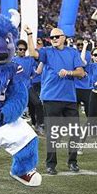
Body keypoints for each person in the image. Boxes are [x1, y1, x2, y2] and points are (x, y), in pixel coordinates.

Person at [25, 25, 85, 175]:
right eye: (51, 38)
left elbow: (81, 72)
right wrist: (30, 35)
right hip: (51, 98)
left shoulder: (72, 52)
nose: (54, 40)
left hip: (69, 98)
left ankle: (73, 162)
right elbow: (33, 52)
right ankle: (51, 164)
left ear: (64, 38)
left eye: (57, 37)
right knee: (54, 133)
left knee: (75, 132)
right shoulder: (47, 52)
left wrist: (69, 72)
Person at [12, 40, 41, 131]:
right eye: (20, 49)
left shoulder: (30, 59)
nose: (22, 51)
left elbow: (35, 70)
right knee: (19, 107)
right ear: (16, 50)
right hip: (17, 88)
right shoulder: (12, 61)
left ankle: (37, 124)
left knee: (37, 103)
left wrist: (33, 76)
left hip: (28, 87)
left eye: (24, 49)